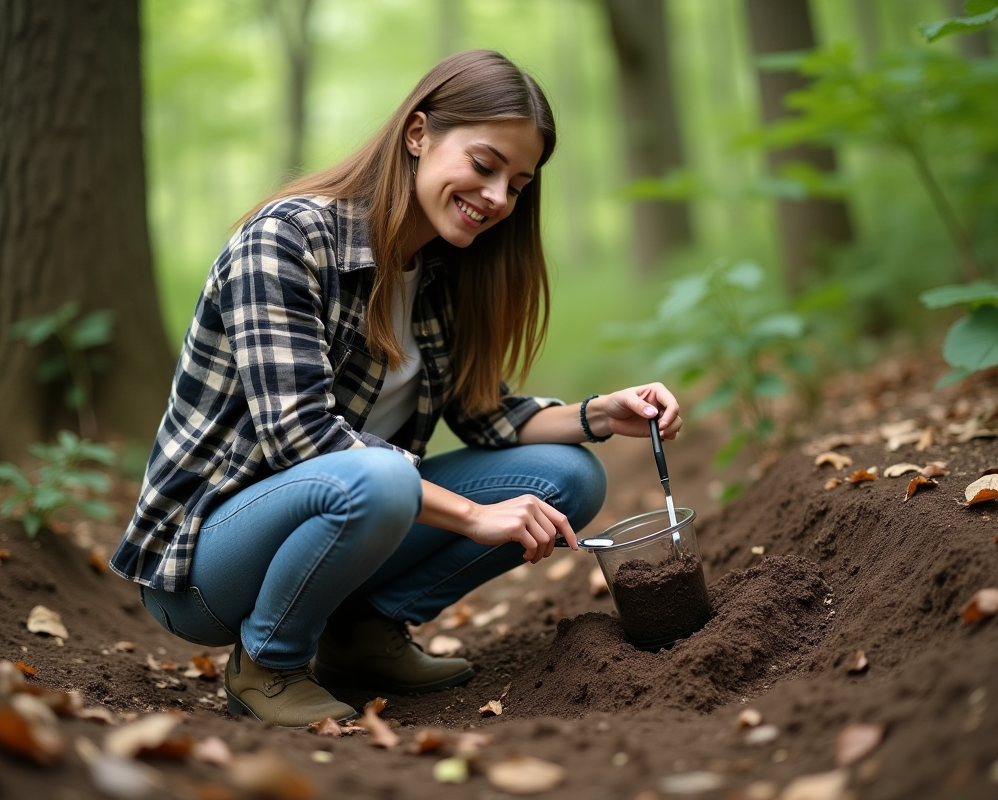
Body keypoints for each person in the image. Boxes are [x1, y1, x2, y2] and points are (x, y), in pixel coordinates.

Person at [109, 49, 682, 728]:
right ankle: (268, 662)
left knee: (569, 477)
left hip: (348, 512)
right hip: (205, 565)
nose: (499, 197)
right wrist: (472, 516)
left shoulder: (438, 272)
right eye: (484, 164)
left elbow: (484, 415)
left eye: (519, 183)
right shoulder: (286, 241)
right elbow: (304, 440)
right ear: (418, 135)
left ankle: (360, 637)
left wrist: (599, 414)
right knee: (378, 477)